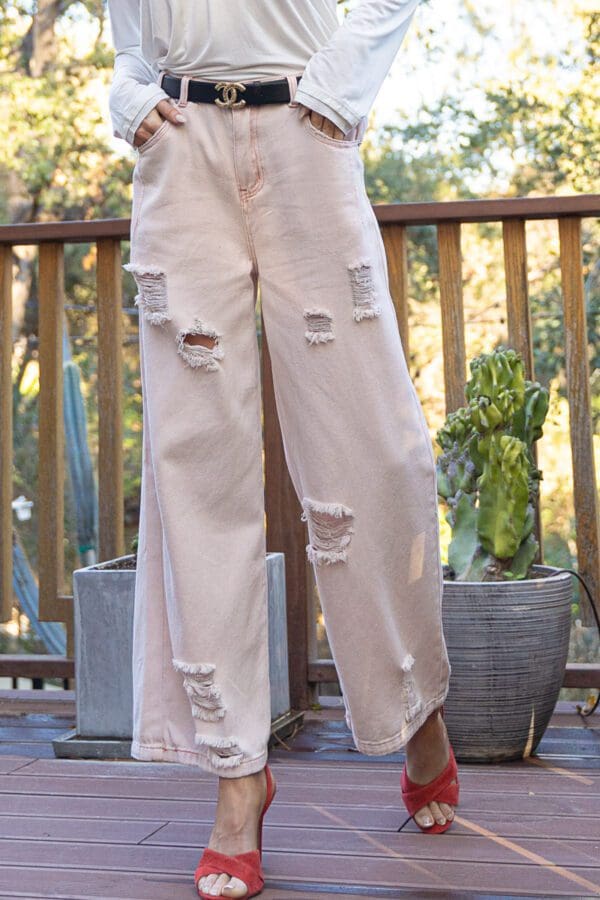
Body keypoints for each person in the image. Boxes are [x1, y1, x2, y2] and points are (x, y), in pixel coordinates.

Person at [106, 1, 460, 897]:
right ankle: (237, 779)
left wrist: (342, 85)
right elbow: (129, 34)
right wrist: (127, 93)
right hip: (180, 150)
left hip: (308, 130)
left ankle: (416, 710)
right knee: (197, 469)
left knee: (373, 451)